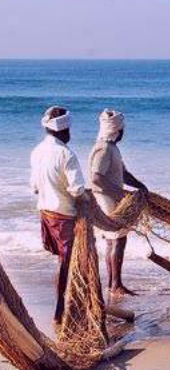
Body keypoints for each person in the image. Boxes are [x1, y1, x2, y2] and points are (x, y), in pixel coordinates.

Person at [30, 106, 88, 324]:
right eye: (69, 130)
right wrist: (86, 200)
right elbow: (77, 190)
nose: (70, 133)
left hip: (45, 212)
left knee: (62, 261)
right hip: (64, 215)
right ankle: (60, 307)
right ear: (64, 131)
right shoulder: (66, 153)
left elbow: (34, 186)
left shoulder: (36, 151)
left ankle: (68, 301)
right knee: (66, 262)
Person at [89, 109, 147, 297]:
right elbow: (96, 178)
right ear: (117, 130)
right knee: (118, 239)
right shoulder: (104, 148)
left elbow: (123, 174)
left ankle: (112, 284)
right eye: (122, 129)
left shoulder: (111, 147)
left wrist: (140, 186)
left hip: (111, 197)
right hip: (106, 198)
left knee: (111, 241)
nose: (123, 132)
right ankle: (116, 285)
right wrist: (122, 193)